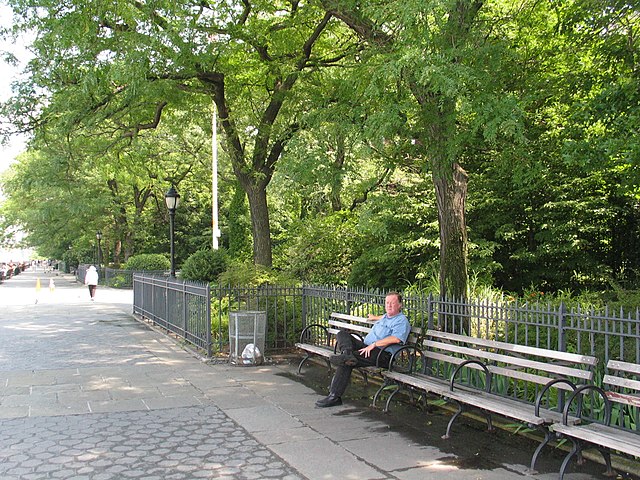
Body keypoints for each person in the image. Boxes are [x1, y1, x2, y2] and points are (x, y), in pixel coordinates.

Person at [316, 291, 411, 408]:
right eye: (387, 303)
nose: (389, 305)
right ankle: (347, 354)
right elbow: (383, 316)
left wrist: (375, 344)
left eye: (392, 303)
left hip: (382, 354)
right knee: (342, 334)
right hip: (367, 348)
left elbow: (396, 339)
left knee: (348, 361)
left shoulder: (401, 321)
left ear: (400, 305)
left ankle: (334, 396)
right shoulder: (385, 317)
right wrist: (373, 317)